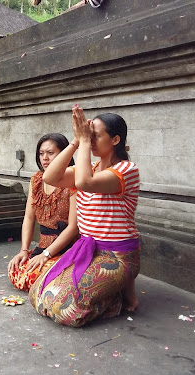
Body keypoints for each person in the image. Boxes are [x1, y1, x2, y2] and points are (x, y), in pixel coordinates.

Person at [29, 108, 140, 327]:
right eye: (88, 135)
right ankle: (114, 292)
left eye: (95, 135)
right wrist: (75, 142)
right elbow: (49, 177)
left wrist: (84, 144)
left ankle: (115, 299)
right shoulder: (89, 168)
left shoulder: (127, 170)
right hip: (87, 251)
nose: (90, 140)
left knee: (64, 310)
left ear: (115, 139)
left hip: (116, 257)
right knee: (38, 295)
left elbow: (84, 183)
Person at [8, 134, 78, 291]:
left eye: (50, 153)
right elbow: (28, 217)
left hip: (67, 247)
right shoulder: (36, 180)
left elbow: (74, 228)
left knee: (40, 277)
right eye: (41, 153)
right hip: (43, 245)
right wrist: (24, 250)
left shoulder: (73, 179)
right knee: (17, 269)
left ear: (64, 154)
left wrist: (47, 254)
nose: (45, 158)